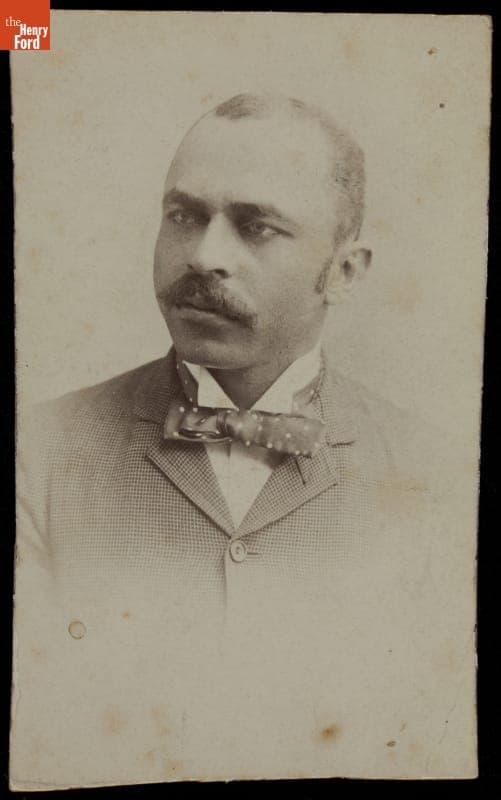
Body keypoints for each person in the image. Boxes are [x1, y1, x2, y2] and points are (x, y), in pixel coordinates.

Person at [12, 94, 469, 785]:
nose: (202, 255)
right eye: (183, 216)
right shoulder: (37, 452)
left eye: (254, 228)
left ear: (343, 271)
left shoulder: (440, 478)